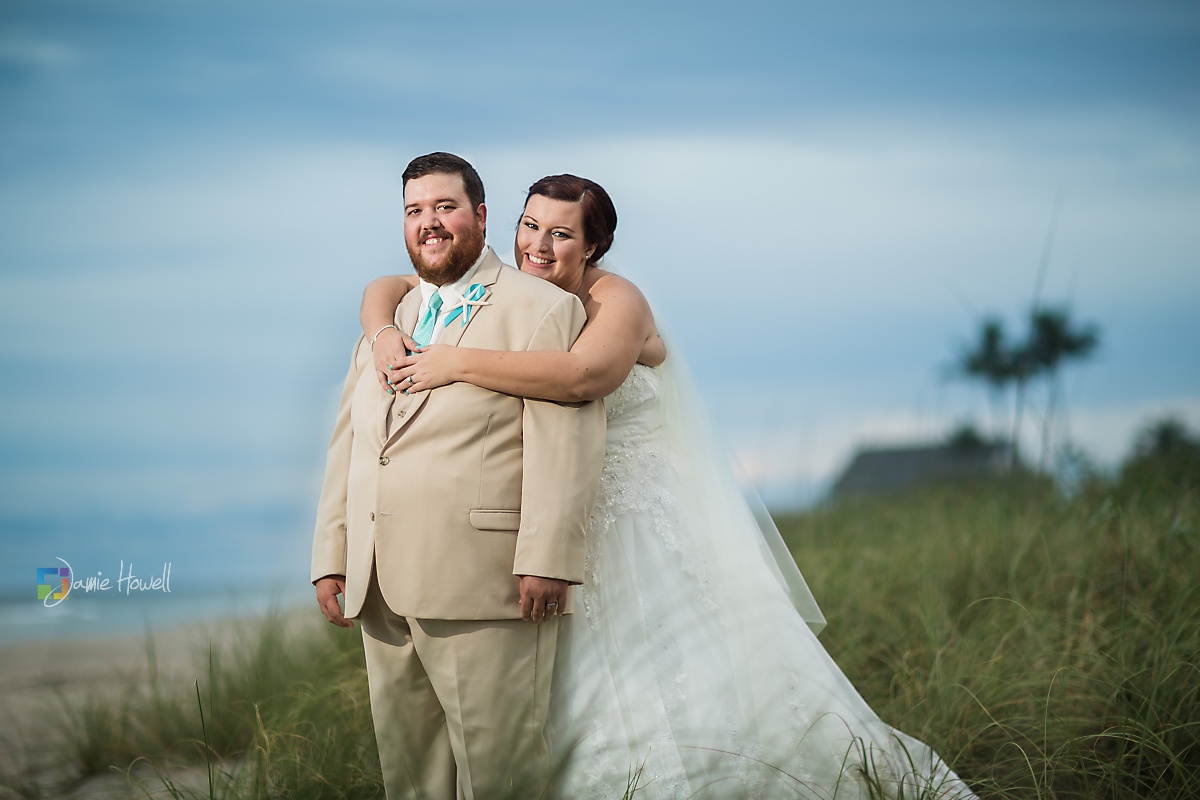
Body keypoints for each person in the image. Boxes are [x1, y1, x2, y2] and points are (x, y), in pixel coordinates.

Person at [360, 174, 978, 798]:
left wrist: (454, 361)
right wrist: (384, 331)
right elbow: (386, 286)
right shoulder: (510, 297)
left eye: (561, 233)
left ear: (593, 247)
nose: (538, 246)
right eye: (530, 225)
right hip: (558, 518)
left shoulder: (616, 300)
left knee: (685, 687)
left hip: (637, 524)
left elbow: (582, 376)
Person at [311, 153, 606, 800]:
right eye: (415, 211)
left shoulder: (540, 307)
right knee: (410, 777)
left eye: (444, 207)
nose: (429, 224)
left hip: (487, 581)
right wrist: (331, 554)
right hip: (380, 584)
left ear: (479, 216)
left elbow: (567, 435)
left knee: (502, 773)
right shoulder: (384, 326)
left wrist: (550, 555)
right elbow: (351, 443)